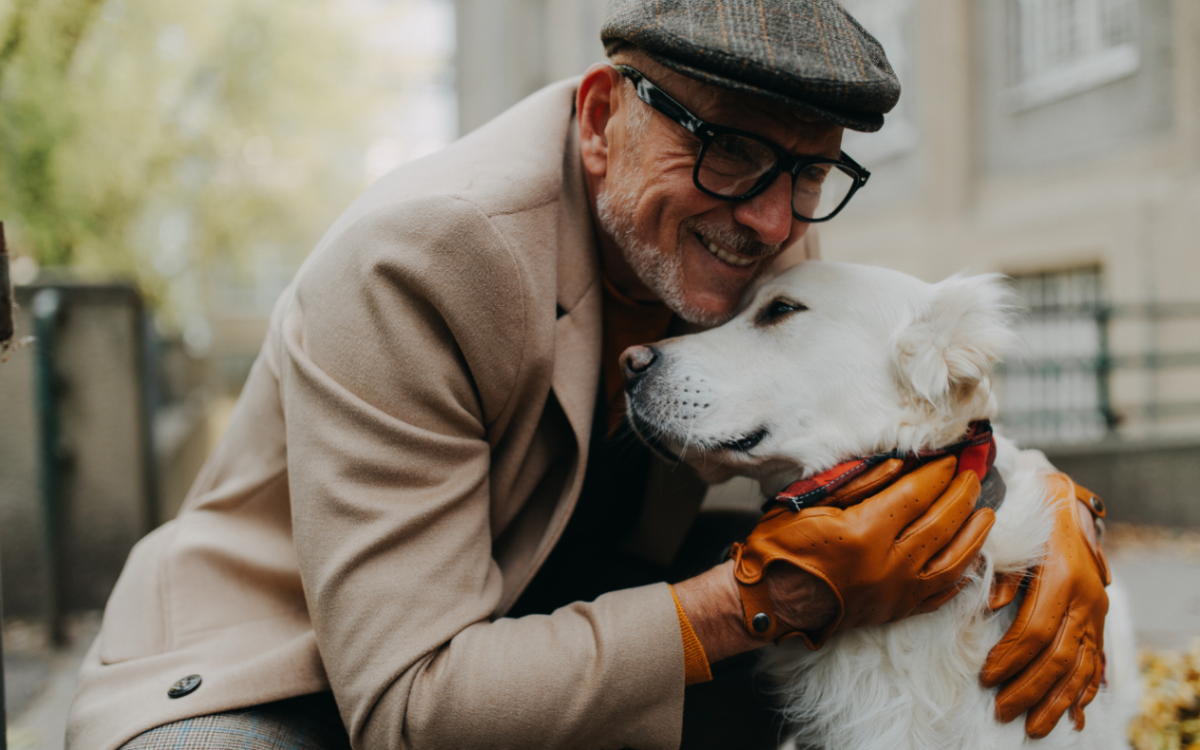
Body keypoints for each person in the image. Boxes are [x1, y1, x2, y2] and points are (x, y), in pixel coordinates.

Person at [66, 1, 1112, 748]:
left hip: (554, 605)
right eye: (729, 149)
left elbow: (885, 421)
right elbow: (408, 710)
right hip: (289, 675)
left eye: (807, 172)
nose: (769, 217)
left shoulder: (750, 244)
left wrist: (1045, 506)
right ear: (602, 115)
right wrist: (752, 601)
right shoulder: (420, 261)